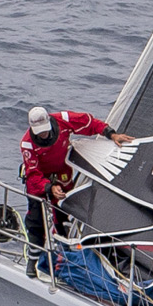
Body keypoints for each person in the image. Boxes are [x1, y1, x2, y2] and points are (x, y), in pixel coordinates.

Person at [17, 106, 117, 248]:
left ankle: (63, 245)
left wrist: (110, 133)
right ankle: (34, 257)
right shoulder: (27, 144)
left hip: (61, 172)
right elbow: (33, 175)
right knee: (35, 218)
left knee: (63, 209)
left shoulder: (63, 120)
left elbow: (88, 123)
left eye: (45, 130)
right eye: (39, 132)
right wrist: (49, 187)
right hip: (40, 179)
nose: (43, 134)